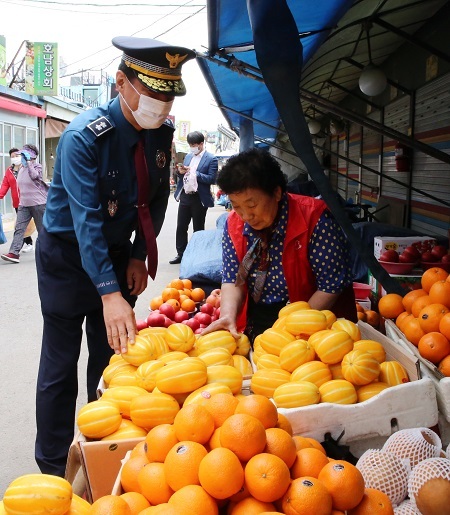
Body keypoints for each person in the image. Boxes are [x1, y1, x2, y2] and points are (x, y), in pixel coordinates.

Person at [34, 36, 195, 477]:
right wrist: (108, 294)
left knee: (114, 359)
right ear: (121, 83)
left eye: (168, 94)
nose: (161, 104)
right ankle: (52, 469)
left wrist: (140, 255)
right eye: (153, 92)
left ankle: (102, 449)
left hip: (118, 251)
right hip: (68, 259)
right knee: (60, 365)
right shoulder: (82, 137)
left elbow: (157, 198)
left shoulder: (162, 133)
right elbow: (86, 222)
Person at [202, 148, 356, 343]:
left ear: (276, 192)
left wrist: (295, 329)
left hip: (315, 323)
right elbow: (232, 277)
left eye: (251, 205)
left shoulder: (315, 219)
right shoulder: (233, 223)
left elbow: (331, 285)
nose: (246, 216)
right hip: (259, 314)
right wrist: (228, 315)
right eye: (237, 206)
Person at [169, 131, 218, 264]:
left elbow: (212, 179)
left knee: (198, 228)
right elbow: (182, 176)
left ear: (201, 144)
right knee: (181, 226)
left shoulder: (211, 159)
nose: (192, 147)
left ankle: (198, 255)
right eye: (190, 145)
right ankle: (181, 254)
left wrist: (196, 174)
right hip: (185, 195)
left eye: (194, 145)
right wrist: (180, 172)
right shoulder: (188, 157)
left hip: (199, 198)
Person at [1, 144, 47, 263]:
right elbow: (9, 184)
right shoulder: (20, 168)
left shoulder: (37, 166)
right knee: (19, 228)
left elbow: (34, 176)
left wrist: (29, 163)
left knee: (42, 229)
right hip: (23, 204)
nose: (19, 157)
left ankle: (46, 252)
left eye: (22, 155)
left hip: (38, 204)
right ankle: (14, 253)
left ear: (30, 156)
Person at [0, 148, 34, 252]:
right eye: (12, 157)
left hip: (30, 200)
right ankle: (26, 243)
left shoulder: (26, 167)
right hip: (18, 203)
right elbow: (5, 184)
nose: (14, 158)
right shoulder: (9, 171)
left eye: (16, 156)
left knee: (31, 224)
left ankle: (39, 243)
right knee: (21, 225)